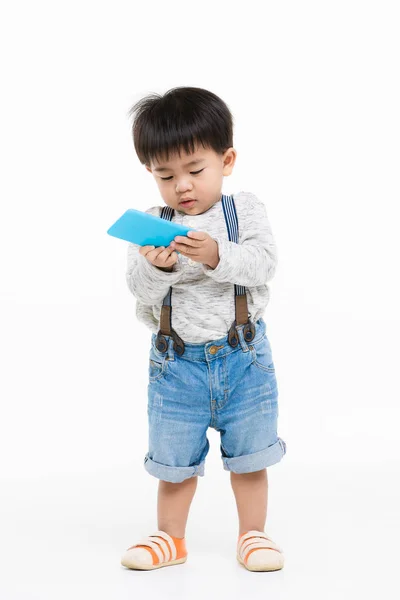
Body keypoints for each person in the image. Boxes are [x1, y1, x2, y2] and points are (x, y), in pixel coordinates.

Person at [120, 87, 287, 572]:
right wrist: (158, 269)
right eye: (165, 176)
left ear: (226, 159)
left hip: (244, 359)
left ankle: (253, 534)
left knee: (250, 459)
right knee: (173, 465)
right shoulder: (152, 223)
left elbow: (264, 265)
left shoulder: (244, 210)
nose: (182, 187)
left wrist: (216, 254)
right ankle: (171, 538)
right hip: (176, 368)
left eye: (195, 170)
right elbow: (139, 289)